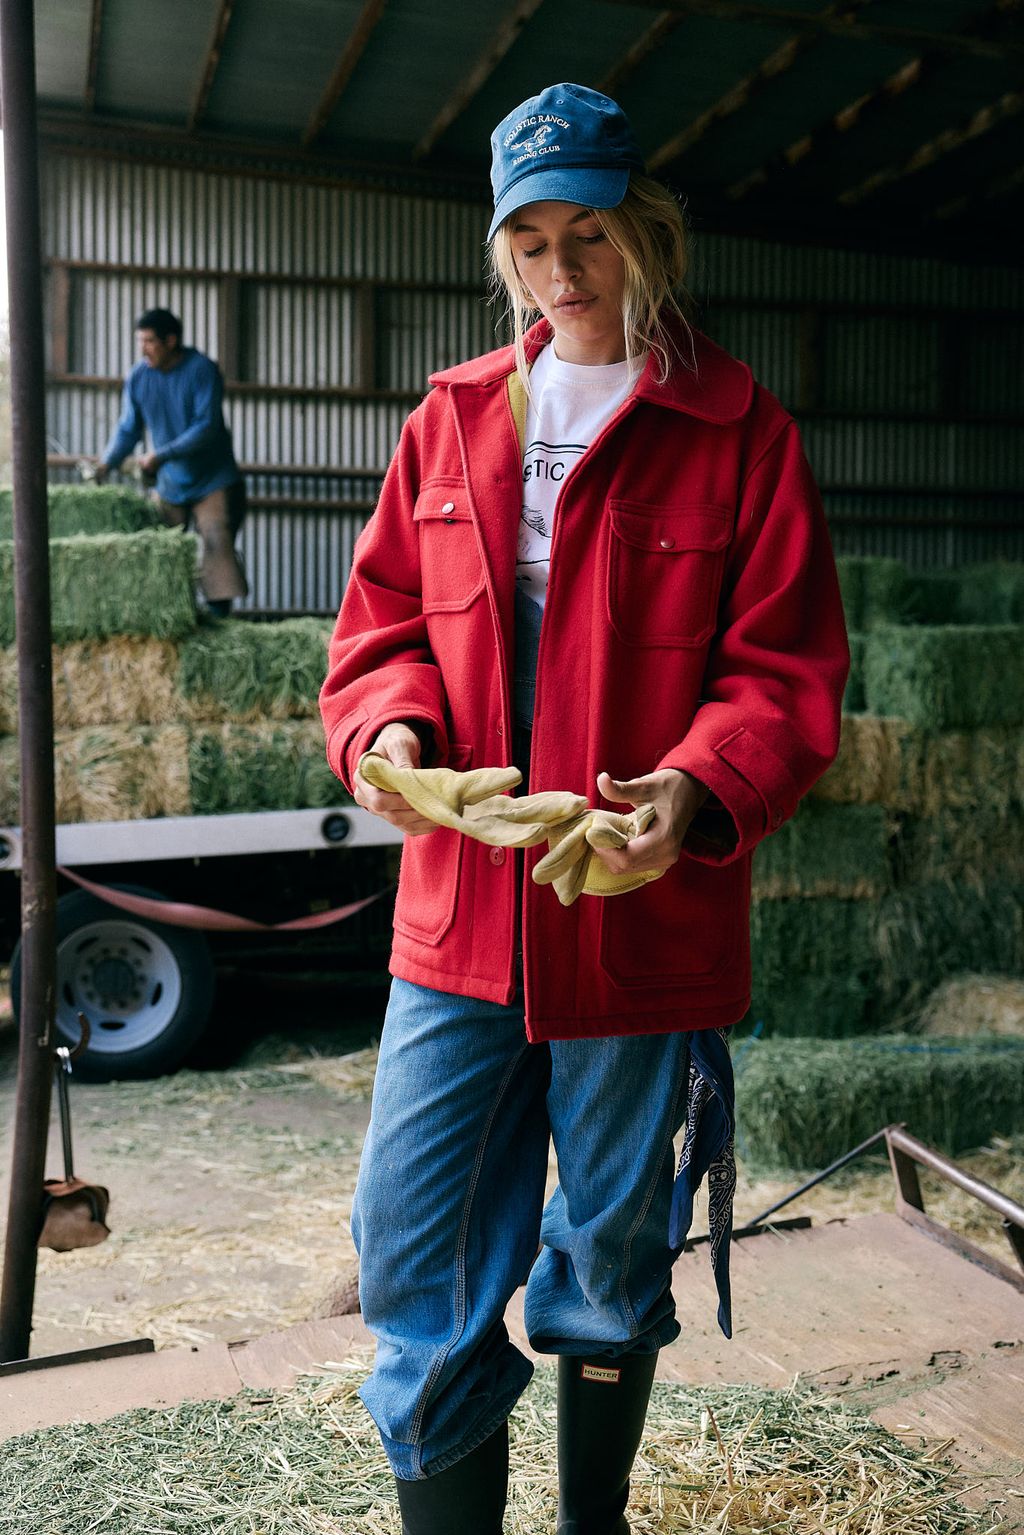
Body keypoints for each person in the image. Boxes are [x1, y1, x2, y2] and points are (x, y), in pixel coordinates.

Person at [320, 83, 849, 1535]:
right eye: (532, 241)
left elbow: (784, 667)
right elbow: (379, 629)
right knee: (412, 1245)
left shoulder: (736, 429)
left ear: (649, 232)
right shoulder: (450, 419)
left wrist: (694, 786)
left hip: (635, 917)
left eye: (592, 234)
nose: (563, 270)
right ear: (504, 251)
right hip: (461, 917)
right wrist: (393, 738)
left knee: (612, 1256)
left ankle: (590, 1523)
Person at [95, 307, 248, 616]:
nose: (143, 349)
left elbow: (206, 426)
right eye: (140, 341)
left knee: (216, 541)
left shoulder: (202, 370)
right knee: (162, 546)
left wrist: (160, 455)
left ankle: (219, 618)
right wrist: (107, 462)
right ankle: (167, 616)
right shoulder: (139, 377)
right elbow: (128, 427)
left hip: (212, 479)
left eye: (150, 341)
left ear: (171, 341)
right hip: (170, 482)